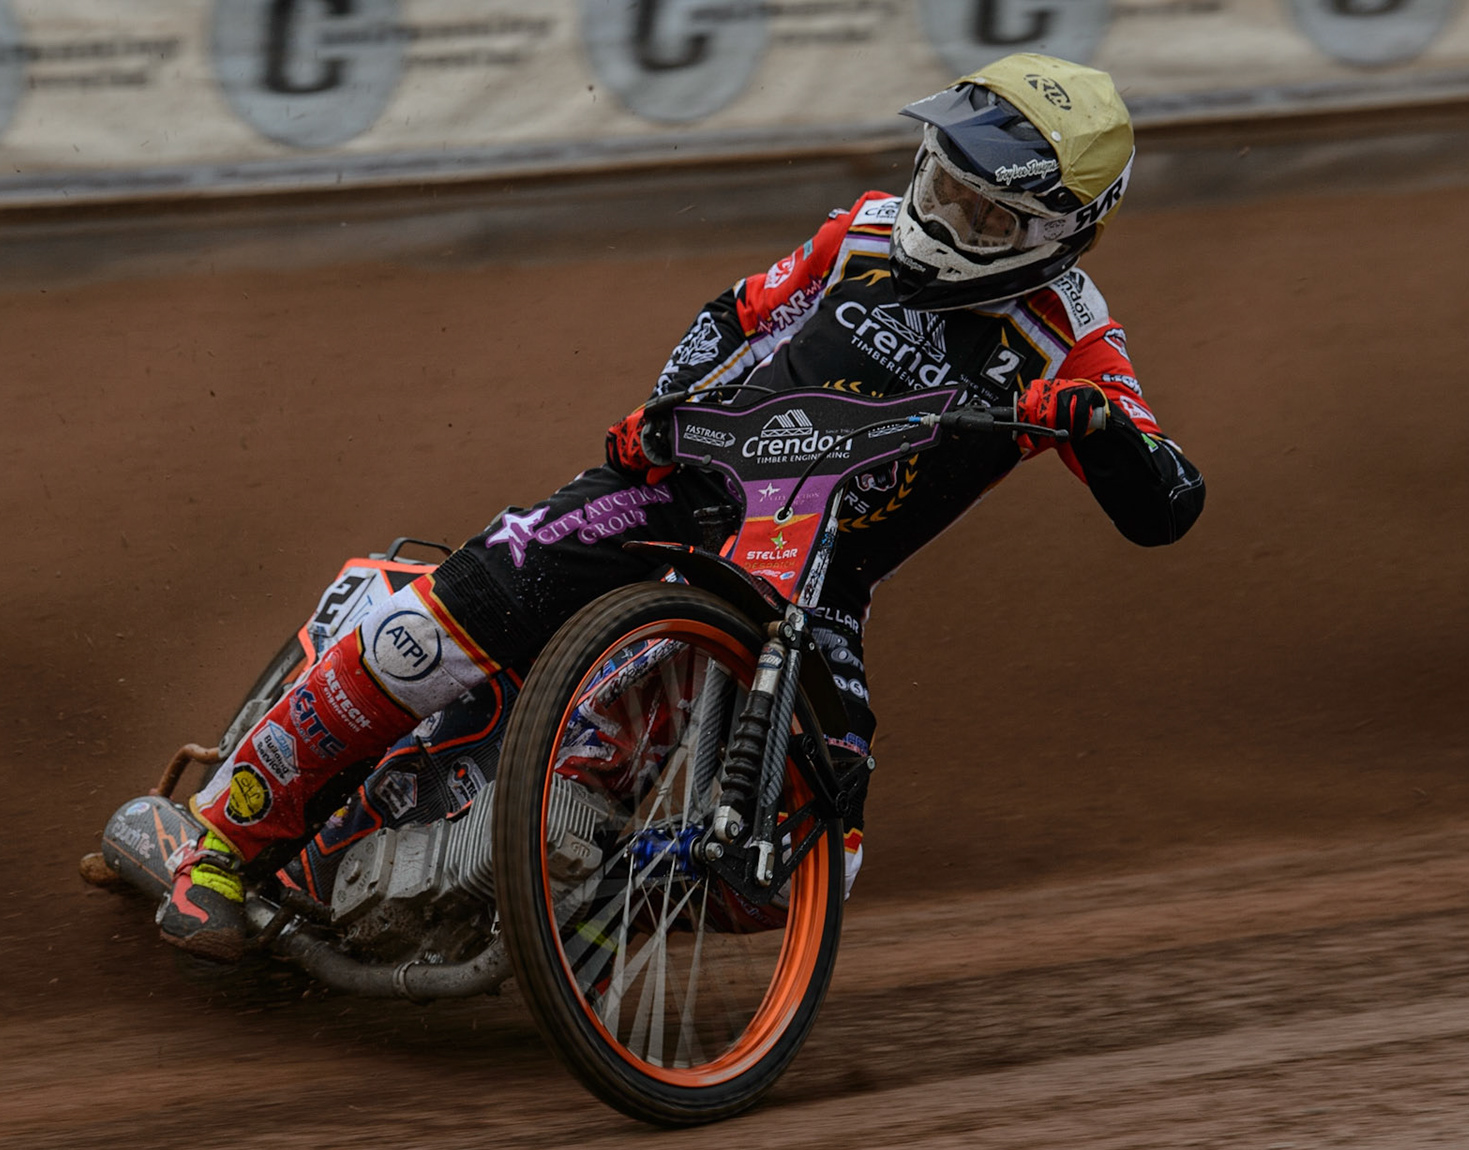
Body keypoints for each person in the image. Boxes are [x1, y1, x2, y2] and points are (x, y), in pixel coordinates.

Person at [156, 53, 1206, 961]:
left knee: (807, 869)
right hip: (681, 486)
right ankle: (225, 850)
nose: (941, 215)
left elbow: (1168, 502)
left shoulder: (1073, 338)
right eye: (940, 180)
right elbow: (734, 314)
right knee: (430, 629)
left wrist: (1101, 432)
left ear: (1059, 230)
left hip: (821, 581)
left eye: (982, 213)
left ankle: (578, 930)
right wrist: (666, 411)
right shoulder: (867, 233)